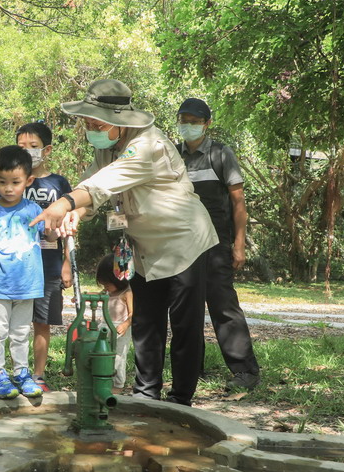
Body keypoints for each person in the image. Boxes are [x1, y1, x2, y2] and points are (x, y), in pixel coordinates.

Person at [32, 79, 217, 406]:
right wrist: (79, 213)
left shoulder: (147, 146)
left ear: (119, 122)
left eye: (97, 123)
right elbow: (91, 184)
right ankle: (147, 395)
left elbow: (104, 184)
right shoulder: (107, 147)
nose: (91, 129)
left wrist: (63, 204)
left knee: (185, 327)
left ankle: (180, 401)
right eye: (88, 123)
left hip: (183, 242)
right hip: (144, 246)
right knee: (147, 323)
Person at [175, 97, 261, 391]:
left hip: (216, 243)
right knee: (186, 307)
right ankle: (190, 369)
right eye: (183, 120)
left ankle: (245, 371)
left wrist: (239, 244)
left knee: (223, 307)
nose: (187, 126)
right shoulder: (174, 157)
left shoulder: (221, 154)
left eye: (194, 121)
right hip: (182, 245)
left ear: (207, 124)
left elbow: (238, 202)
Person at [0, 145, 47, 400]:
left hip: (28, 285)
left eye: (15, 182)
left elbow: (50, 234)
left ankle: (22, 374)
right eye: (2, 182)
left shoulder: (35, 210)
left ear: (28, 180)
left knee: (21, 333)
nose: (8, 188)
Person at [15, 121, 74, 391]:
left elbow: (71, 225)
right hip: (16, 266)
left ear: (47, 149)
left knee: (42, 322)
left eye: (33, 147)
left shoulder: (59, 184)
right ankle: (16, 371)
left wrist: (67, 263)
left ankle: (38, 375)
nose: (27, 151)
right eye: (22, 147)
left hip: (49, 266)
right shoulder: (11, 182)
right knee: (15, 323)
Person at [96, 255, 133, 393]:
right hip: (105, 326)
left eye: (107, 284)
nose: (105, 287)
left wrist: (126, 324)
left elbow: (133, 313)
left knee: (118, 356)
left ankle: (117, 385)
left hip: (120, 329)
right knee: (102, 353)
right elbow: (97, 295)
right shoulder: (108, 291)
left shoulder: (126, 292)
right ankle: (103, 380)